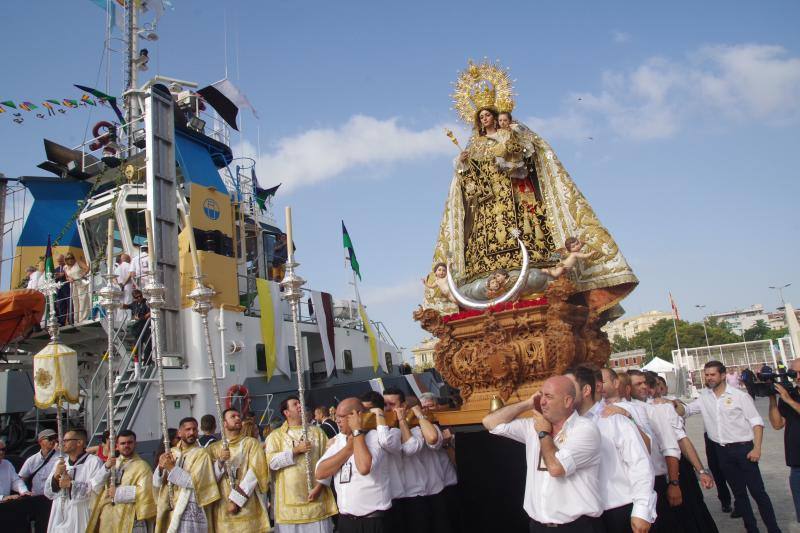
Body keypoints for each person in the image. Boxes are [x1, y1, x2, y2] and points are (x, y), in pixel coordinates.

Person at [427, 101, 638, 318]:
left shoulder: (510, 134)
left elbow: (528, 156)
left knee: (527, 226)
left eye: (488, 115)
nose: (485, 119)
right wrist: (462, 163)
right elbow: (467, 176)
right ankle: (489, 269)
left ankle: (533, 259)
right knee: (490, 230)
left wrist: (512, 148)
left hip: (515, 195)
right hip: (488, 204)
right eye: (481, 117)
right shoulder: (474, 145)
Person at [483, 376, 604, 531]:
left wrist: (542, 433)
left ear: (567, 401)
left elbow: (556, 468)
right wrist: (527, 403)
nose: (542, 402)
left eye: (549, 396)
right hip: (538, 526)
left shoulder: (585, 429)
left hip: (576, 527)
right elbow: (490, 423)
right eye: (541, 395)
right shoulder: (532, 426)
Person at [683, 360, 782, 533]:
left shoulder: (739, 396)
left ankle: (773, 529)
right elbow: (686, 410)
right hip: (723, 452)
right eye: (706, 375)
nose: (709, 378)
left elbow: (756, 422)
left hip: (744, 450)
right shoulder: (705, 398)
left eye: (713, 374)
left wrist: (757, 448)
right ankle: (751, 528)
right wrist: (668, 404)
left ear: (723, 375)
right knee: (739, 494)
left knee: (758, 492)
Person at [564, 367, 655, 533]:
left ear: (586, 390)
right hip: (587, 516)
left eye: (569, 387)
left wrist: (642, 509)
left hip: (620, 508)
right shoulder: (566, 426)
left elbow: (639, 464)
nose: (565, 392)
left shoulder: (614, 420)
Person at [315, 397, 392, 533]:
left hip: (372, 521)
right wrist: (348, 450)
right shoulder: (339, 440)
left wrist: (357, 432)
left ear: (357, 415)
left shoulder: (374, 437)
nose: (337, 420)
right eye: (336, 416)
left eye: (342, 417)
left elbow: (364, 467)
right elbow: (320, 472)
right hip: (346, 521)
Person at [266, 395, 337, 533]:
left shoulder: (317, 432)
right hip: (289, 506)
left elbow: (328, 461)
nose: (300, 405)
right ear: (286, 412)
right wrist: (294, 451)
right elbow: (271, 463)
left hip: (316, 499)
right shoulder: (276, 436)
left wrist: (321, 485)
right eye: (295, 404)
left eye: (300, 403)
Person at [626, 370, 684, 531]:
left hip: (658, 480)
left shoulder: (654, 409)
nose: (644, 387)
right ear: (627, 388)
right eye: (638, 384)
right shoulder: (618, 410)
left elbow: (670, 448)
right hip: (635, 486)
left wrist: (674, 482)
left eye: (645, 383)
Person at [153, 417, 220, 532]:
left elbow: (194, 482)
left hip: (189, 509)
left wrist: (171, 468)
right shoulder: (172, 452)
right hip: (171, 507)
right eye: (188, 429)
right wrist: (160, 467)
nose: (192, 433)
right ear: (180, 432)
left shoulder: (201, 454)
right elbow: (157, 483)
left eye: (194, 429)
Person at [207, 409, 270, 532]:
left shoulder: (251, 444)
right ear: (224, 423)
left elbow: (255, 473)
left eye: (238, 416)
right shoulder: (213, 449)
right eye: (233, 416)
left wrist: (236, 500)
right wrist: (219, 462)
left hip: (247, 506)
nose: (237, 418)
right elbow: (208, 479)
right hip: (222, 508)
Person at [87, 429, 156, 532]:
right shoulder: (111, 464)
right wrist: (106, 467)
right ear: (117, 446)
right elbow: (95, 486)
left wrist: (118, 493)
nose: (126, 445)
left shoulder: (142, 466)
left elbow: (146, 491)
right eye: (123, 443)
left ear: (135, 444)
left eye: (129, 442)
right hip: (108, 518)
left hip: (131, 517)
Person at [44, 428, 106, 532]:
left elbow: (96, 489)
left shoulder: (94, 462)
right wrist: (56, 475)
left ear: (79, 442)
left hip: (81, 512)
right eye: (62, 441)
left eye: (66, 440)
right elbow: (48, 492)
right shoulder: (60, 463)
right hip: (60, 511)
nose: (62, 443)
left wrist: (71, 485)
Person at [768, 358, 800, 523]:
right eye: (794, 373)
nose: (797, 377)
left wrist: (788, 400)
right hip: (797, 465)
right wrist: (772, 398)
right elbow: (777, 424)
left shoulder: (790, 398)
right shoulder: (791, 394)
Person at [18, 428, 59, 533]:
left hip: (54, 498)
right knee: (39, 525)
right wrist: (25, 491)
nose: (53, 440)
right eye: (50, 438)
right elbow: (21, 478)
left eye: (55, 438)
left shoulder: (61, 457)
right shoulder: (32, 460)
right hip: (37, 498)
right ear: (40, 441)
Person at [0, 437, 31, 531]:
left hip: (5, 508)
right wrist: (2, 498)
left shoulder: (7, 464)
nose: (1, 452)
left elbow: (15, 481)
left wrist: (24, 491)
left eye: (3, 449)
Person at [125, 289, 152, 364]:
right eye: (137, 297)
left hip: (146, 327)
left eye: (140, 296)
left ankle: (147, 363)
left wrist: (142, 317)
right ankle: (137, 363)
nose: (139, 298)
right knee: (137, 347)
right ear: (134, 298)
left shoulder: (146, 302)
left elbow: (150, 312)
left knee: (148, 346)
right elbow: (128, 306)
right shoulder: (134, 304)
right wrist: (118, 305)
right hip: (138, 328)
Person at [64, 253, 90, 323]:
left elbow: (87, 268)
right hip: (73, 285)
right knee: (75, 302)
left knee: (83, 300)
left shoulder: (78, 262)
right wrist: (69, 279)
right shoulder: (65, 267)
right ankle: (76, 320)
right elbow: (66, 276)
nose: (70, 260)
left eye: (71, 258)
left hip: (81, 283)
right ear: (66, 260)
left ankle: (83, 319)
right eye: (68, 259)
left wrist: (83, 274)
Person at [54, 254, 72, 325]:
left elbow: (70, 275)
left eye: (60, 261)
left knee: (70, 304)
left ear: (64, 259)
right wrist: (56, 276)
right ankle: (62, 322)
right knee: (61, 306)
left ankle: (71, 320)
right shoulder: (56, 269)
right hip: (59, 291)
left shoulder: (68, 267)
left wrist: (63, 274)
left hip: (67, 289)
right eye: (58, 261)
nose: (59, 262)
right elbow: (54, 279)